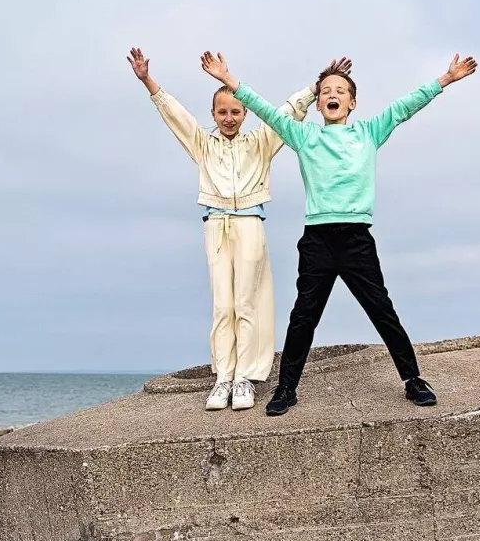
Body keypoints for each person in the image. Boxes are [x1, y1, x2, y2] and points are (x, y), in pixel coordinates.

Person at [199, 49, 478, 415]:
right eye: (326, 90)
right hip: (317, 239)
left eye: (340, 91)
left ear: (352, 102)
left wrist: (446, 79)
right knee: (303, 316)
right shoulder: (304, 136)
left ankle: (413, 380)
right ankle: (286, 388)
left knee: (381, 310)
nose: (333, 94)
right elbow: (266, 109)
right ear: (319, 103)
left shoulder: (369, 132)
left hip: (356, 239)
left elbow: (405, 106)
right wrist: (228, 81)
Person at [127, 47, 351, 411]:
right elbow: (175, 116)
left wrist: (317, 87)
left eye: (235, 111)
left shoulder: (260, 142)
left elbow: (286, 113)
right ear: (213, 115)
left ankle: (245, 377)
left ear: (245, 113)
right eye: (222, 112)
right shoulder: (203, 143)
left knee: (248, 301)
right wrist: (148, 82)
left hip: (249, 221)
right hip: (216, 224)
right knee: (223, 304)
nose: (229, 118)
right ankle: (223, 378)